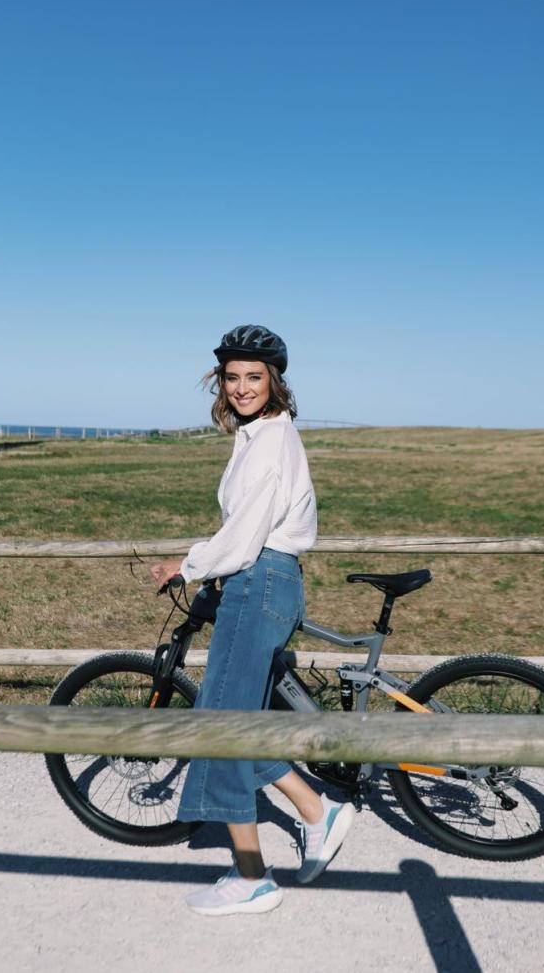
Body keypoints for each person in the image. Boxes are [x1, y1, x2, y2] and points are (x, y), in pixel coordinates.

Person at [151, 324, 354, 916]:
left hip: (260, 579)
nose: (242, 387)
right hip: (262, 580)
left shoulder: (269, 441)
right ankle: (319, 812)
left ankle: (251, 877)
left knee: (222, 725)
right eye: (233, 377)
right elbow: (243, 531)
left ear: (274, 382)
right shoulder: (259, 435)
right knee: (242, 717)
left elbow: (244, 537)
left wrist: (187, 565)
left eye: (254, 378)